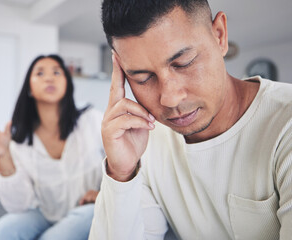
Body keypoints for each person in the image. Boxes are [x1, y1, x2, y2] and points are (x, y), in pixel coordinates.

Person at [89, 0, 292, 239]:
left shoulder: (284, 124)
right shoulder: (143, 143)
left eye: (184, 63)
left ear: (220, 35)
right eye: (143, 78)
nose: (170, 99)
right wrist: (121, 174)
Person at [0, 54, 104, 240]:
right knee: (2, 231)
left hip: (88, 209)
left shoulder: (92, 120)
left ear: (67, 84)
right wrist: (2, 155)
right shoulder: (19, 141)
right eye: (40, 73)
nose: (49, 77)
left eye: (57, 72)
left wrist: (105, 193)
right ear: (29, 89)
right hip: (44, 213)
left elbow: (122, 161)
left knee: (82, 220)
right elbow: (17, 206)